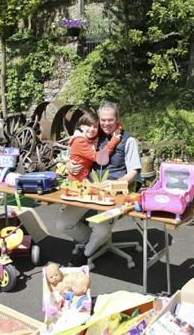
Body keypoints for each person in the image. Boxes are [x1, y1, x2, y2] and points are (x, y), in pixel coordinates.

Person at [56, 102, 141, 266]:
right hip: (88, 189)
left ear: (117, 119)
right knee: (63, 224)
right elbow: (73, 150)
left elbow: (134, 171)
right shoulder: (93, 133)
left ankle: (85, 254)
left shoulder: (129, 141)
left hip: (112, 194)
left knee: (101, 230)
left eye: (110, 120)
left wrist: (117, 183)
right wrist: (68, 164)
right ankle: (94, 241)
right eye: (103, 120)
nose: (106, 124)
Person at [67, 110, 121, 182]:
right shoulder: (79, 141)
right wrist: (114, 140)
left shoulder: (88, 137)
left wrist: (118, 128)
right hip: (76, 181)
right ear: (81, 126)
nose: (92, 129)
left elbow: (111, 125)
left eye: (95, 127)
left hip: (83, 179)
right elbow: (100, 158)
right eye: (89, 125)